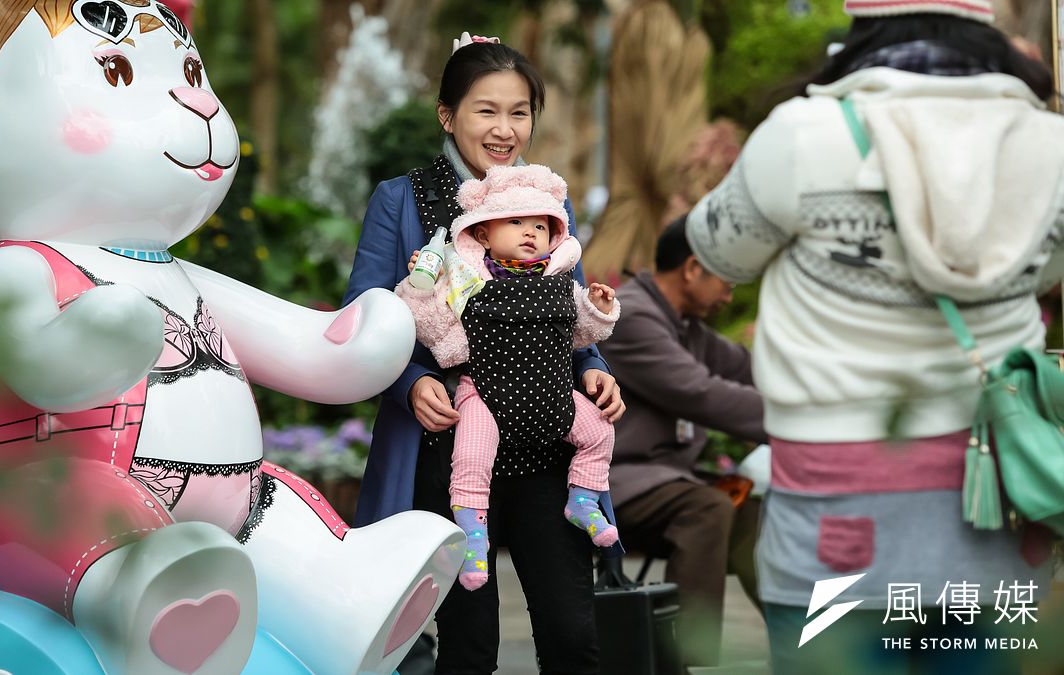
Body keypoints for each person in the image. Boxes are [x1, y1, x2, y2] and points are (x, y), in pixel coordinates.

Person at [684, 3, 1063, 673]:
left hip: (834, 511)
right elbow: (1047, 272)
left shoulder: (802, 133)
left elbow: (719, 251)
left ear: (862, 25)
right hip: (999, 493)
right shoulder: (1049, 143)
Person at [343, 34, 626, 674]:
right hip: (448, 445)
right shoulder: (402, 198)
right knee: (469, 649)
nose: (505, 130)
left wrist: (594, 370)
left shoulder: (547, 199)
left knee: (573, 637)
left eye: (519, 112)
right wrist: (411, 381)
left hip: (546, 438)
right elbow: (365, 316)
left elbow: (572, 312)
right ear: (447, 115)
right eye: (486, 111)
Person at [396, 164, 622, 591]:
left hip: (552, 395)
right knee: (470, 460)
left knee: (600, 432)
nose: (530, 232)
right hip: (485, 395)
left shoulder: (560, 282)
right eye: (516, 222)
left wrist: (598, 307)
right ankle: (472, 538)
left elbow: (581, 334)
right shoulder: (464, 282)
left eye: (540, 226)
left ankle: (583, 500)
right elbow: (434, 326)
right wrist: (421, 286)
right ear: (482, 234)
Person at [600, 215, 767, 667]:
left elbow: (749, 369)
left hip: (663, 479)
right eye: (727, 282)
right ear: (693, 268)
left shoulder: (683, 324)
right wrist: (798, 422)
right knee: (705, 508)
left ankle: (806, 644)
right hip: (612, 481)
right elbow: (701, 393)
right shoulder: (631, 316)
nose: (729, 296)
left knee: (755, 517)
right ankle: (689, 662)